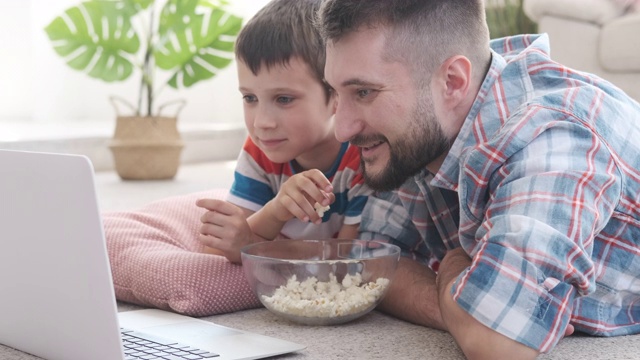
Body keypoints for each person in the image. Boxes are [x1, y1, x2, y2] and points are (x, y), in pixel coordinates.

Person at [316, 0, 640, 358]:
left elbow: (497, 344)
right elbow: (373, 260)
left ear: (453, 81)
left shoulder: (551, 138)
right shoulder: (422, 124)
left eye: (363, 92)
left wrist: (455, 268)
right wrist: (463, 299)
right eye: (335, 91)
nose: (341, 129)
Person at [196, 0, 372, 264]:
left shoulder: (363, 159)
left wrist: (252, 244)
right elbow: (218, 252)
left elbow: (347, 261)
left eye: (284, 99)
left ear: (336, 95)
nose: (261, 123)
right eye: (250, 98)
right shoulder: (259, 151)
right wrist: (274, 212)